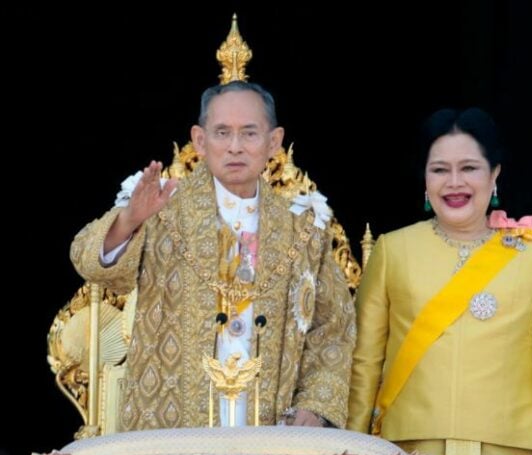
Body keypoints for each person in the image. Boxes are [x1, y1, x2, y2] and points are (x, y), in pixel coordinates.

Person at [71, 80, 356, 431]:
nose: (235, 147)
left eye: (249, 134)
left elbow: (333, 330)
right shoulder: (161, 210)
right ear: (200, 140)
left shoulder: (304, 231)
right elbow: (90, 263)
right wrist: (129, 219)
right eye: (222, 133)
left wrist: (313, 406)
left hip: (270, 425)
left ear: (274, 142)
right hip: (170, 425)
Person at [348, 108, 532, 455]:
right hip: (407, 450)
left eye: (469, 168)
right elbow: (365, 360)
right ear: (424, 179)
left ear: (494, 175)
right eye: (440, 169)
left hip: (512, 451)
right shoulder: (393, 250)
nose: (454, 183)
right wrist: (352, 445)